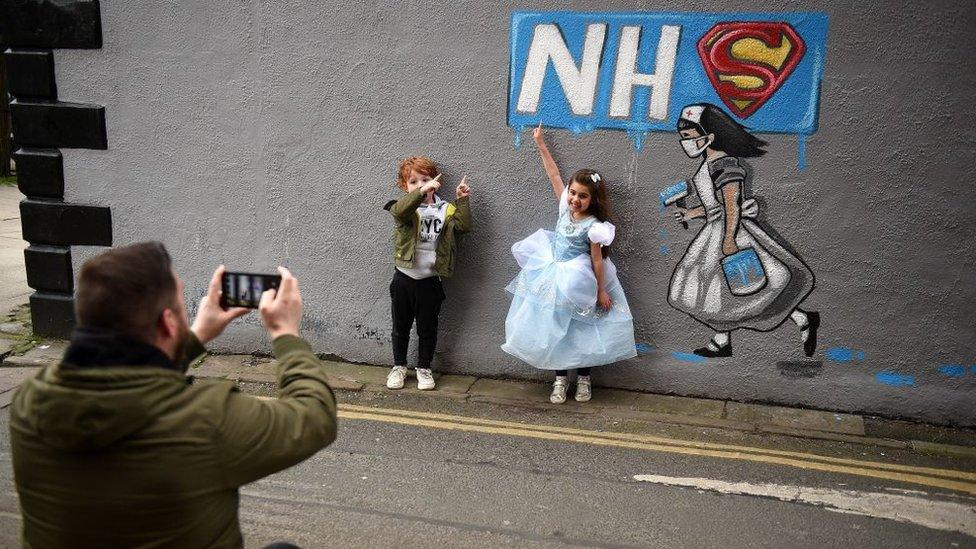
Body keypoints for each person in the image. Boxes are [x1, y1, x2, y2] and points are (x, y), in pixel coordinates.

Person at [9, 242, 338, 548]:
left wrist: (197, 334)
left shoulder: (29, 404)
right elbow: (315, 415)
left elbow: (134, 383)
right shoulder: (206, 421)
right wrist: (285, 333)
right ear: (168, 323)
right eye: (181, 304)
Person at [668, 103, 820, 357]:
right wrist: (691, 213)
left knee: (745, 288)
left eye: (688, 137)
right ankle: (724, 340)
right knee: (719, 292)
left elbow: (732, 205)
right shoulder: (709, 163)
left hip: (731, 233)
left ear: (710, 136)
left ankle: (801, 319)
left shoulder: (725, 165)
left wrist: (729, 240)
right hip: (716, 230)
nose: (684, 143)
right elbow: (715, 206)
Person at [502, 125, 637, 404]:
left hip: (579, 281)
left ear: (593, 200)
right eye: (573, 193)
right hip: (552, 275)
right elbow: (553, 173)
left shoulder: (594, 227)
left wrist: (601, 290)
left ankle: (584, 378)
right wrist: (540, 143)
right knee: (555, 326)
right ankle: (560, 379)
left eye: (582, 196)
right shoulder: (565, 208)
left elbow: (597, 261)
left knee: (583, 327)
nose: (575, 199)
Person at [383, 156, 472, 391]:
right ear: (405, 187)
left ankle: (424, 367)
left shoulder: (445, 209)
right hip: (403, 278)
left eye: (425, 179)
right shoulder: (404, 208)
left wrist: (462, 199)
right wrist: (420, 193)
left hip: (430, 281)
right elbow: (400, 211)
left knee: (427, 328)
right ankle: (399, 366)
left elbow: (463, 226)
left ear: (435, 181)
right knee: (400, 327)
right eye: (413, 182)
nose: (421, 185)